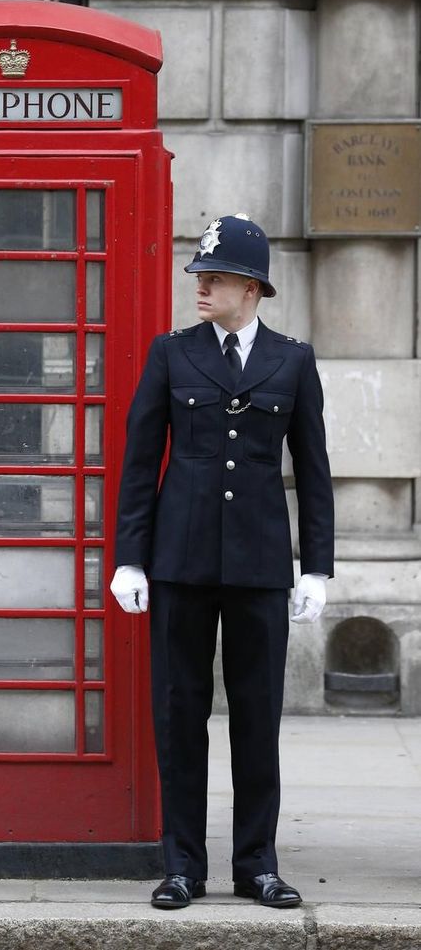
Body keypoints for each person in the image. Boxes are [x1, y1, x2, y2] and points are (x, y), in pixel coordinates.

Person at [110, 213, 334, 910]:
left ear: (252, 286)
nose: (201, 286)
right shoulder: (170, 354)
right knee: (179, 716)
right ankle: (183, 864)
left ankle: (256, 864)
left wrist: (317, 566)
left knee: (257, 718)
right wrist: (129, 559)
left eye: (215, 277)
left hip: (261, 564)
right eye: (200, 276)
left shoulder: (292, 361)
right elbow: (141, 462)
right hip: (178, 562)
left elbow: (315, 470)